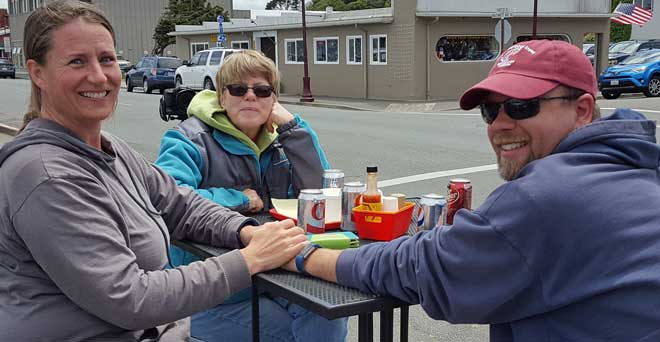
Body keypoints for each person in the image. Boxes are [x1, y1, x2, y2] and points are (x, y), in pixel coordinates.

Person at [284, 39, 660, 341]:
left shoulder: (550, 194)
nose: (500, 124)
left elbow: (424, 269)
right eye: (489, 111)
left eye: (521, 106)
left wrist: (304, 258)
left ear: (581, 109)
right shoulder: (638, 170)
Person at [0, 1, 308, 340]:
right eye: (77, 61)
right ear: (37, 72)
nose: (100, 76)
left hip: (161, 328)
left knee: (304, 319)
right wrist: (248, 260)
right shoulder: (47, 175)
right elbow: (130, 299)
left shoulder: (108, 149)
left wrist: (245, 231)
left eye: (106, 59)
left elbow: (180, 203)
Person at [154, 50, 345, 341]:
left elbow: (325, 195)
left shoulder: (281, 140)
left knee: (328, 314)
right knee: (287, 333)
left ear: (274, 99)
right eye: (238, 89)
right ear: (221, 96)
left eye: (262, 90)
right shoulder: (189, 139)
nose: (250, 97)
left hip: (276, 275)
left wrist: (294, 129)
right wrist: (238, 198)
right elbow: (166, 199)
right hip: (211, 291)